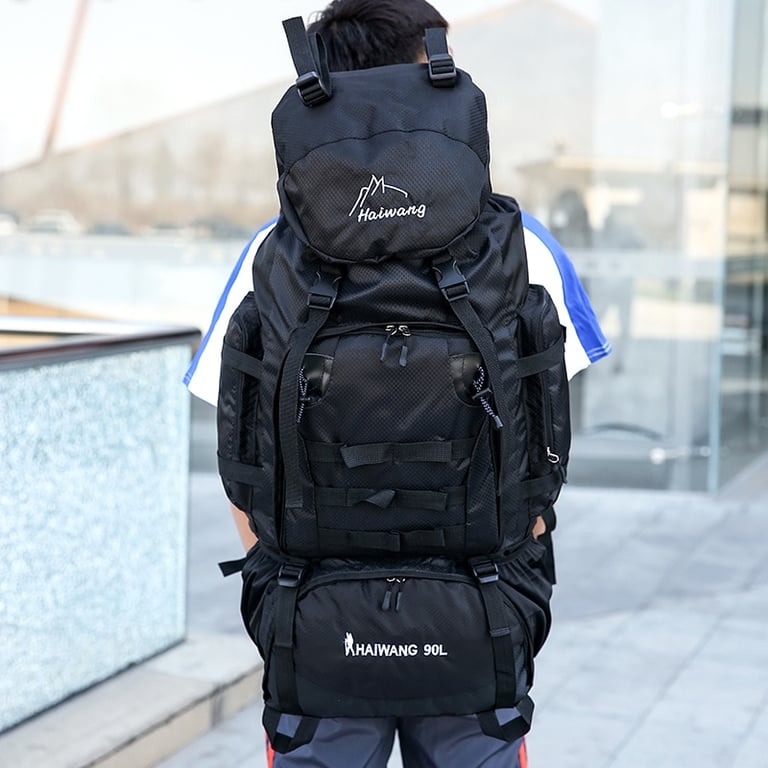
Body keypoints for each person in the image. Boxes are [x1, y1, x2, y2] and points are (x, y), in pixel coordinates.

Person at [184, 1, 611, 766]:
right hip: (479, 621)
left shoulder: (270, 255)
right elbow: (544, 450)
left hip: (317, 631)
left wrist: (292, 588)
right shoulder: (523, 246)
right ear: (427, 72)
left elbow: (242, 464)